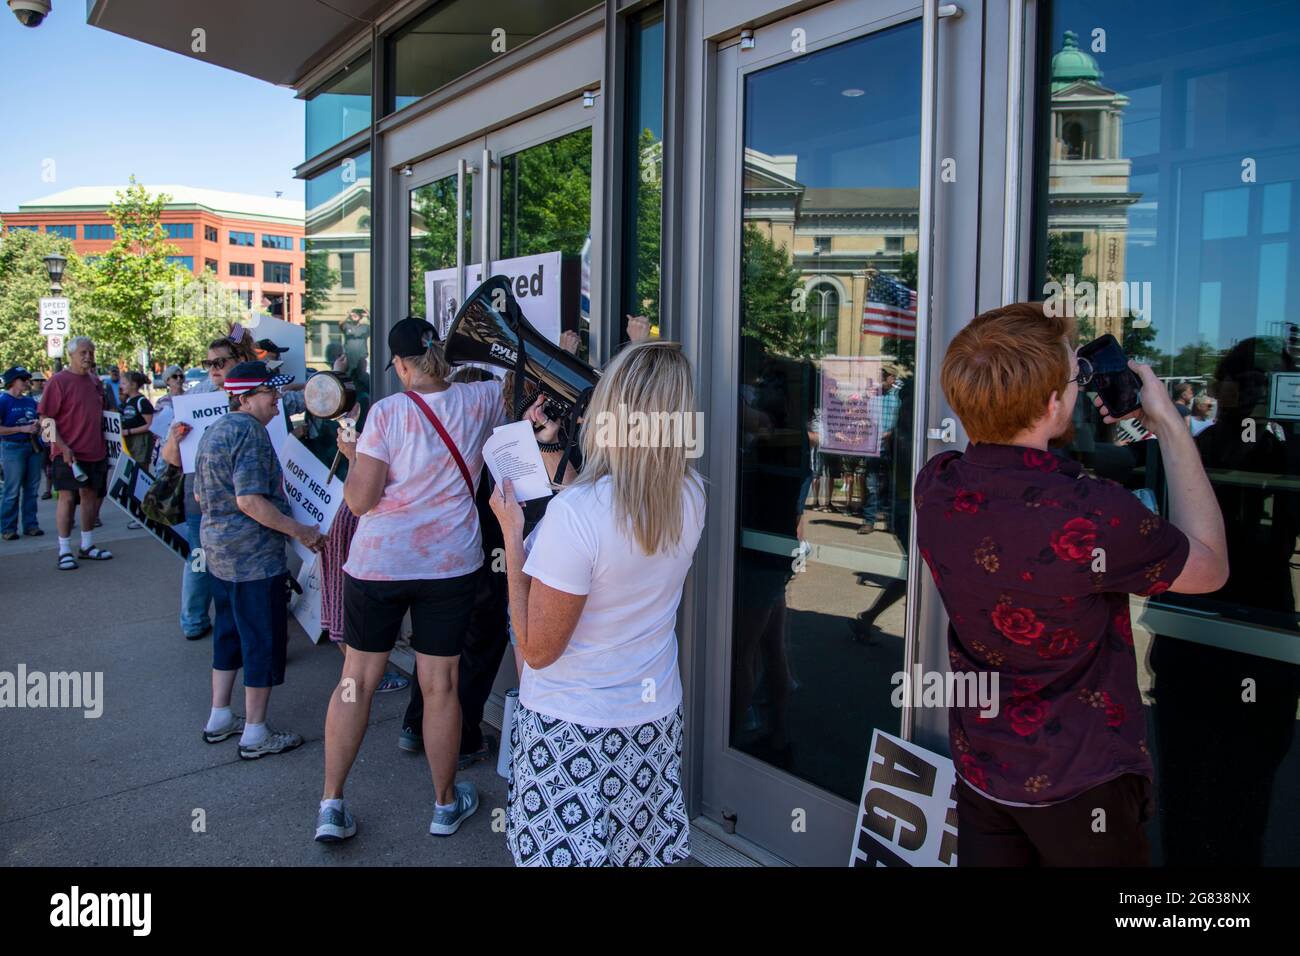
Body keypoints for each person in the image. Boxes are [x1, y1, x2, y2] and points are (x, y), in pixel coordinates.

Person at [914, 302, 1229, 867]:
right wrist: (1170, 429)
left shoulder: (936, 484)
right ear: (1054, 403)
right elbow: (1210, 569)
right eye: (1073, 378)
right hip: (1080, 778)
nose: (1079, 389)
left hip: (984, 765)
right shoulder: (1090, 513)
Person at [490, 341, 706, 867]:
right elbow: (611, 508)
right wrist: (549, 456)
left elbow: (538, 651)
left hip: (573, 730)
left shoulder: (579, 515)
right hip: (650, 720)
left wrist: (514, 541)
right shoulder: (690, 494)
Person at [316, 317, 507, 843]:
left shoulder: (388, 412)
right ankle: (445, 805)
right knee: (440, 686)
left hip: (380, 563)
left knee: (356, 679)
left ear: (401, 366)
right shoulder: (482, 400)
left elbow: (360, 500)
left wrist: (355, 457)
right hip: (449, 565)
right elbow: (519, 381)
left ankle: (332, 804)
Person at [180, 360, 326, 759]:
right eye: (269, 393)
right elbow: (249, 501)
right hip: (253, 560)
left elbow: (199, 495)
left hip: (220, 554)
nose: (277, 400)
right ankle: (256, 732)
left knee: (228, 634)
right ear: (245, 397)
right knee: (261, 639)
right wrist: (302, 531)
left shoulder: (216, 430)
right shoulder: (250, 433)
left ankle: (219, 717)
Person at [39, 336, 114, 570]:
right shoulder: (58, 382)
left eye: (91, 352)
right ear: (71, 355)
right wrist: (61, 447)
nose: (88, 356)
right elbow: (45, 419)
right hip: (67, 453)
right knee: (67, 497)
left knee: (90, 496)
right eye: (83, 352)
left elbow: (105, 415)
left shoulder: (95, 382)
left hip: (95, 450)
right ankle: (64, 550)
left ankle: (87, 545)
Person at [0, 367, 43, 540]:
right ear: (13, 381)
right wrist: (22, 428)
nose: (27, 382)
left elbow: (42, 420)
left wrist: (38, 428)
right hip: (13, 447)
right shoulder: (3, 401)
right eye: (23, 379)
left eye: (28, 379)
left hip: (32, 447)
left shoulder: (30, 401)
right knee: (12, 490)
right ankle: (8, 528)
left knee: (32, 489)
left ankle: (31, 525)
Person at [119, 371, 155, 466]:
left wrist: (129, 431)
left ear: (134, 385)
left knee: (140, 470)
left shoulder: (142, 402)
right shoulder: (128, 400)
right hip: (129, 442)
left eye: (124, 383)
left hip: (141, 443)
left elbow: (150, 425)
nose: (121, 386)